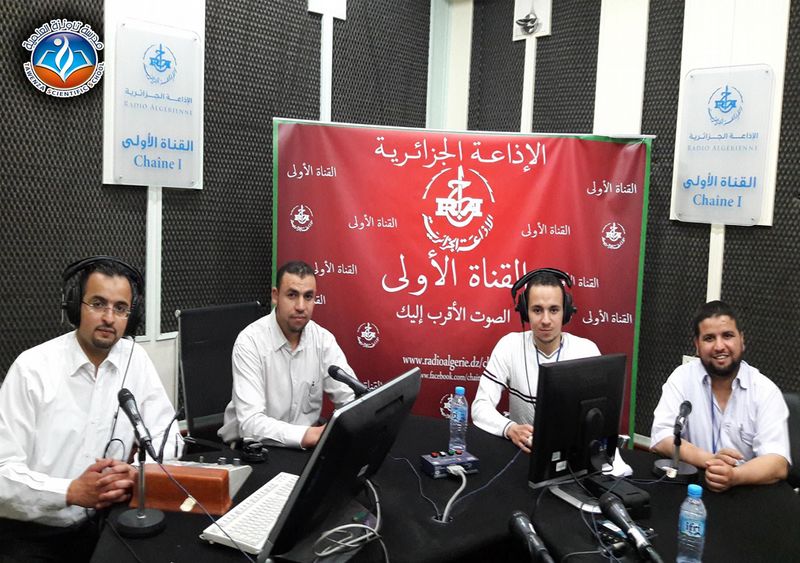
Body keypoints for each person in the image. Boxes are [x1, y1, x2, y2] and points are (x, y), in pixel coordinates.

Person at [0, 256, 181, 562]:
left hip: (104, 524)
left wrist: (137, 474)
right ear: (74, 306)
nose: (109, 317)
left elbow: (169, 439)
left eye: (120, 308)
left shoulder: (135, 360)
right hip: (31, 534)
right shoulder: (32, 369)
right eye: (98, 304)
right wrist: (70, 491)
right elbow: (3, 473)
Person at [650, 300, 790, 492]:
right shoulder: (682, 378)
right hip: (692, 490)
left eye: (727, 336)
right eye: (709, 338)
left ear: (742, 340)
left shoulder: (765, 391)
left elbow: (778, 462)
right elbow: (661, 437)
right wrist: (711, 460)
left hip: (745, 493)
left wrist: (734, 476)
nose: (719, 346)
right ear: (697, 345)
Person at [218, 260, 358, 449]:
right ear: (275, 296)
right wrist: (308, 435)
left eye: (308, 297)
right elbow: (251, 424)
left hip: (305, 448)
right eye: (292, 295)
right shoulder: (250, 342)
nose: (301, 306)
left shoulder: (323, 340)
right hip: (251, 449)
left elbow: (349, 400)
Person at [472, 268, 600, 452]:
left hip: (571, 455)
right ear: (525, 312)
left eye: (554, 310)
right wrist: (509, 428)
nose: (546, 320)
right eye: (537, 310)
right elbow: (480, 407)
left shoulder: (587, 351)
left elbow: (598, 417)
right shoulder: (509, 346)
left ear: (566, 312)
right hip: (522, 452)